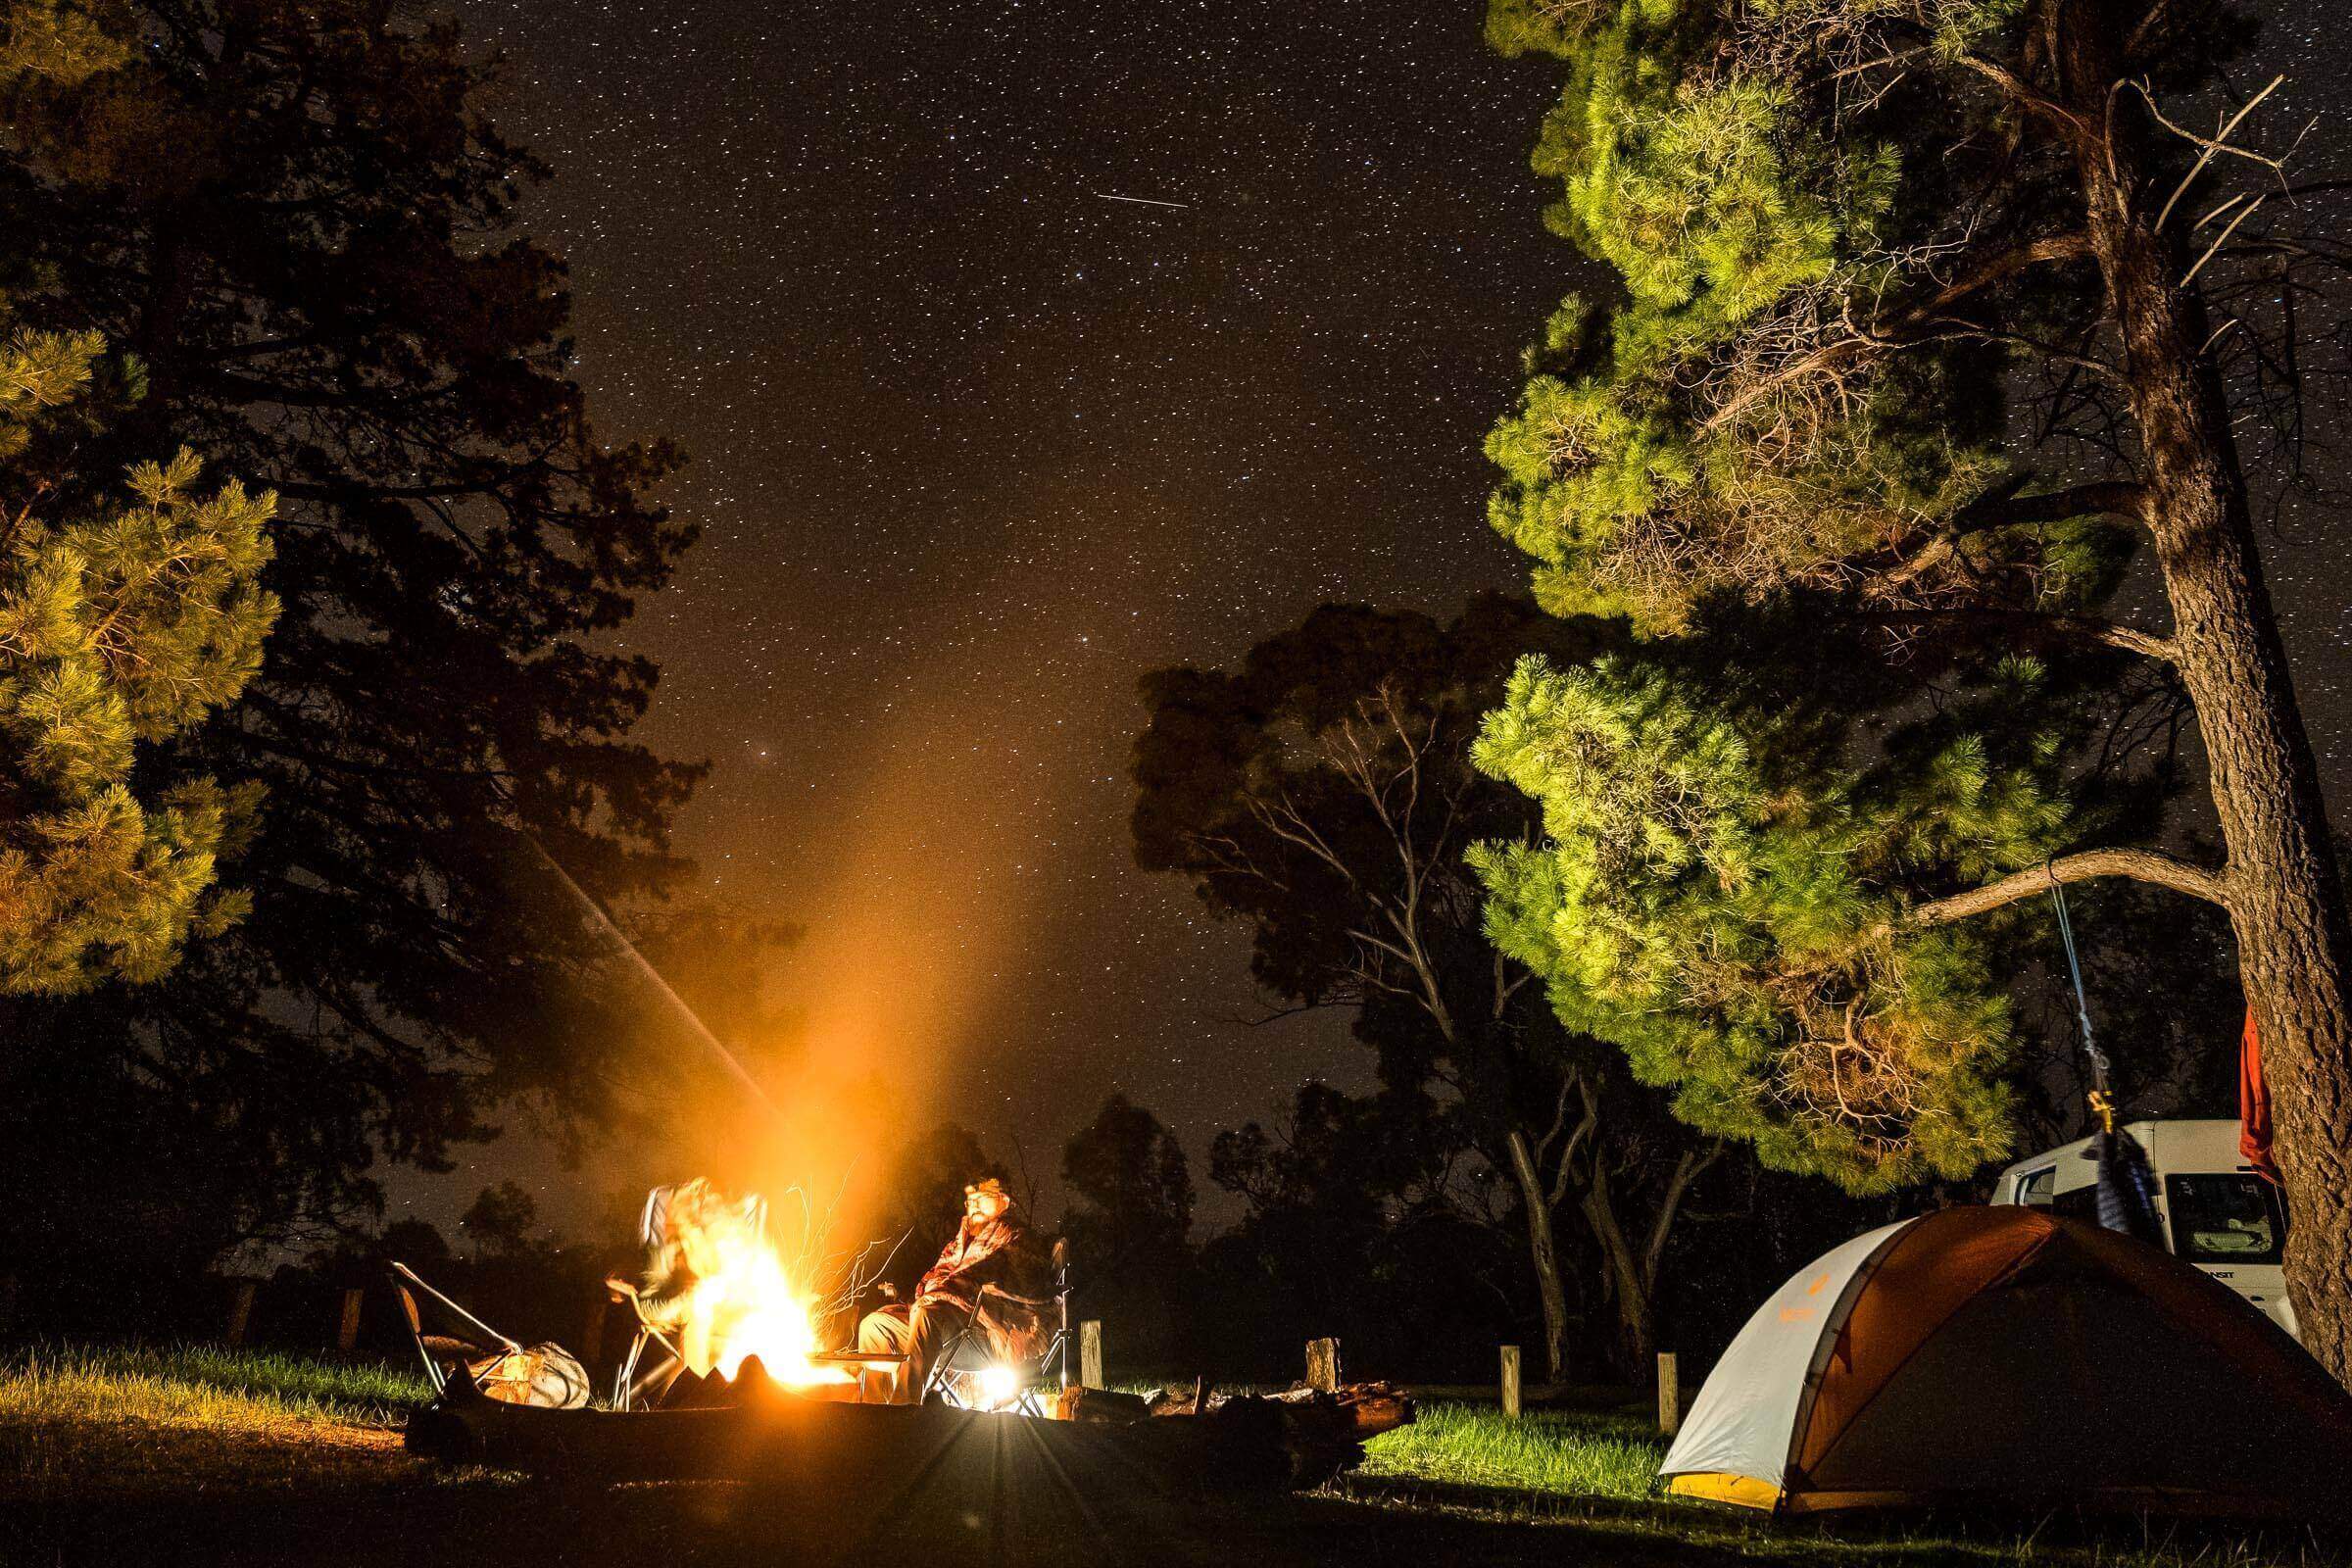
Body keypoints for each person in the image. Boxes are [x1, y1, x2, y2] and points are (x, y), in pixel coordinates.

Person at [856, 1177, 1043, 1403]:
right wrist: (910, 1296)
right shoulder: (956, 1245)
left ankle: (902, 1409)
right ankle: (871, 1411)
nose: (974, 1205)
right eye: (970, 1201)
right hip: (941, 1324)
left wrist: (946, 1292)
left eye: (982, 1199)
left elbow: (1017, 1282)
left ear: (1003, 1201)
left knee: (927, 1316)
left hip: (981, 1329)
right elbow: (935, 1281)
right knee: (875, 1324)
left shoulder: (1016, 1237)